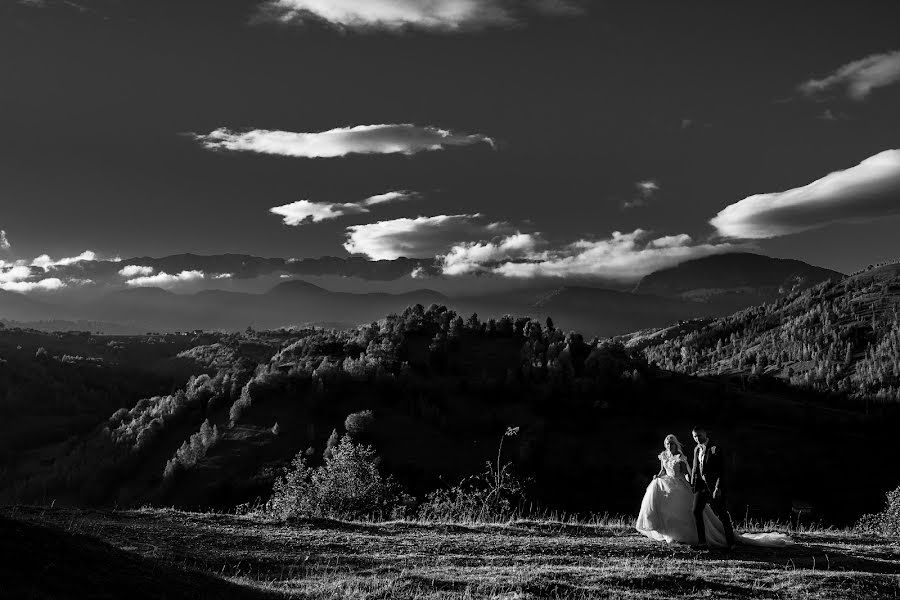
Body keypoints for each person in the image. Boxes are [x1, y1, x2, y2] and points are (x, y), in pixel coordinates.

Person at [635, 434, 728, 546]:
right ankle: (669, 533)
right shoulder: (663, 455)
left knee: (681, 508)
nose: (670, 445)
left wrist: (691, 483)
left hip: (678, 481)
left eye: (672, 443)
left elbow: (686, 473)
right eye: (668, 443)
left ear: (675, 444)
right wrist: (657, 476)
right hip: (666, 481)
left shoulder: (680, 456)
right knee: (656, 492)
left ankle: (685, 535)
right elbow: (663, 471)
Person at [690, 425, 736, 549]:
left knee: (722, 514)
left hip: (714, 486)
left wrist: (718, 488)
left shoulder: (715, 448)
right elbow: (695, 468)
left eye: (699, 435)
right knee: (696, 511)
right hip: (701, 487)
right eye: (695, 436)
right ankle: (702, 542)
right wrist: (693, 485)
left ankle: (731, 543)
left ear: (705, 434)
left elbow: (722, 470)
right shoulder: (696, 449)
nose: (697, 438)